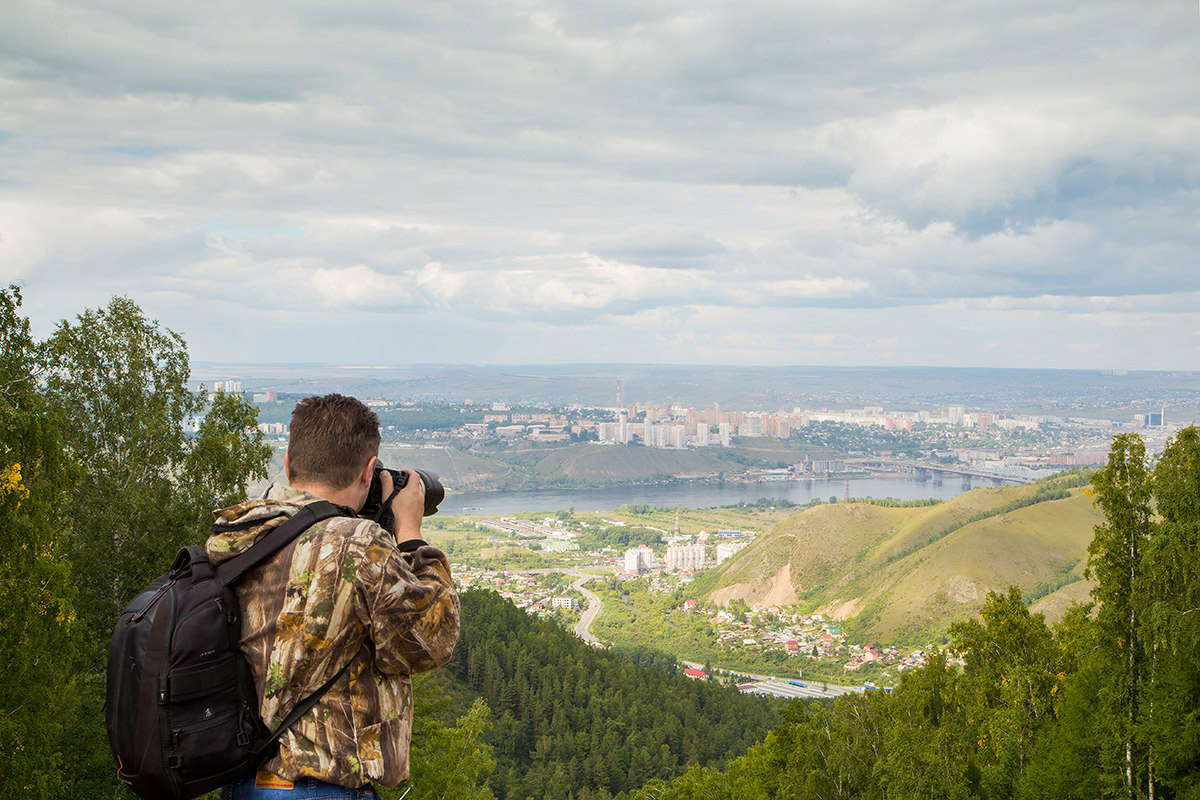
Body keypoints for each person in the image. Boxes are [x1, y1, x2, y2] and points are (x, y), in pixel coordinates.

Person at [206, 394, 459, 799]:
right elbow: (432, 640)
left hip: (247, 783)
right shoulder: (356, 546)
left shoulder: (238, 534)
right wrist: (410, 534)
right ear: (367, 472)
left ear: (288, 464)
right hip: (321, 788)